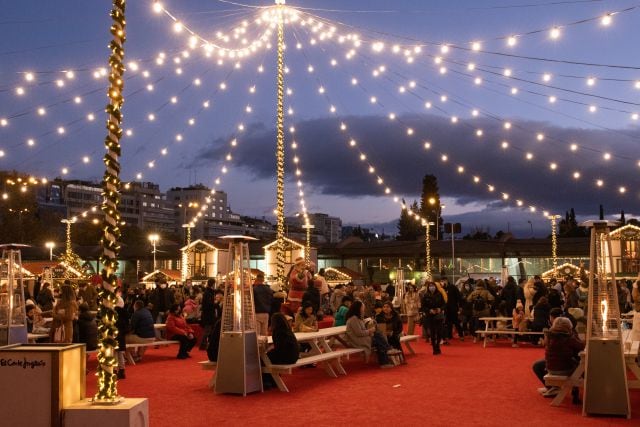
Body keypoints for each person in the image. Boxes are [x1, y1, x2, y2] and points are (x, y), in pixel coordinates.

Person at [532, 317, 584, 402]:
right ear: (568, 327)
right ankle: (575, 394)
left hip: (550, 368)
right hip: (565, 369)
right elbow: (581, 346)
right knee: (578, 365)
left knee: (536, 365)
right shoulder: (569, 338)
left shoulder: (549, 336)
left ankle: (552, 388)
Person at [344, 300, 393, 368]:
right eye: (362, 307)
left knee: (378, 337)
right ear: (358, 308)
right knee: (378, 338)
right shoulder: (353, 319)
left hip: (361, 339)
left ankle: (385, 360)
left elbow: (361, 331)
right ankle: (387, 354)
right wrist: (370, 331)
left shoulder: (357, 318)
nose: (364, 309)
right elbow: (359, 333)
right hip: (357, 341)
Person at [263, 312, 300, 389]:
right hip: (294, 356)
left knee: (264, 359)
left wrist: (268, 351)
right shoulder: (288, 330)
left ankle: (267, 381)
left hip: (287, 358)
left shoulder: (277, 332)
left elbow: (278, 349)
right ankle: (273, 381)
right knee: (270, 357)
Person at [421, 282, 447, 355]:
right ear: (428, 287)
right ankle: (434, 348)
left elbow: (444, 305)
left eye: (433, 286)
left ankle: (437, 345)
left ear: (436, 287)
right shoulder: (425, 296)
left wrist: (440, 309)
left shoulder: (439, 294)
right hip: (430, 316)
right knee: (432, 332)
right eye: (430, 286)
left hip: (438, 316)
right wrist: (429, 310)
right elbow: (423, 307)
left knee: (439, 332)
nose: (431, 287)